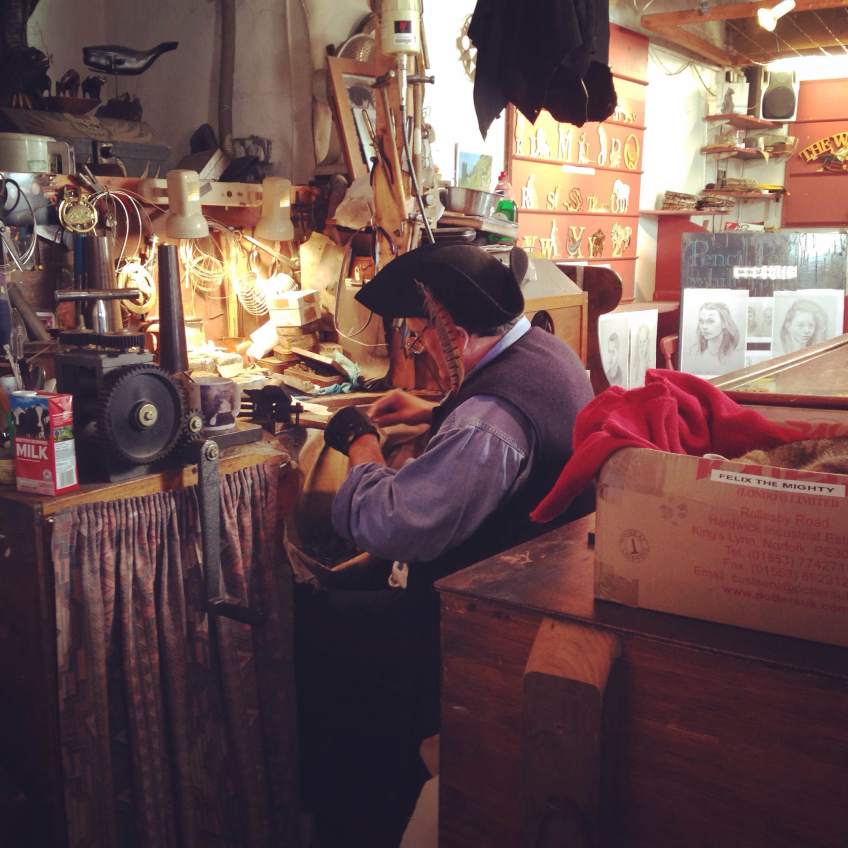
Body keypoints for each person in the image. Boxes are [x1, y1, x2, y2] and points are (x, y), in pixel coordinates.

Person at [295, 244, 594, 847]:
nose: (416, 348)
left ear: (454, 336)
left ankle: (355, 818)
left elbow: (393, 523)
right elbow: (487, 429)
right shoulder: (546, 350)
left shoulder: (489, 421)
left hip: (477, 626)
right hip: (523, 589)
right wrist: (435, 411)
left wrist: (360, 443)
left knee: (313, 626)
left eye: (417, 335)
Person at [686, 301, 744, 375]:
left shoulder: (736, 354)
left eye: (710, 321)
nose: (704, 326)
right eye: (701, 321)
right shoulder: (694, 351)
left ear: (724, 323)